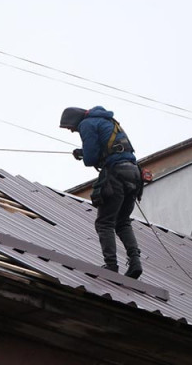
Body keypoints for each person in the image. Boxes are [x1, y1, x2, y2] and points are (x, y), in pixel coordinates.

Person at [60, 106, 143, 279]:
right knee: (123, 221)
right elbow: (108, 149)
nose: (71, 130)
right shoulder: (108, 121)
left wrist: (84, 155)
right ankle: (135, 262)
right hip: (134, 173)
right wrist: (82, 152)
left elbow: (91, 159)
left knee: (104, 222)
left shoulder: (87, 124)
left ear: (75, 120)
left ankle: (111, 265)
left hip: (116, 174)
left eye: (69, 127)